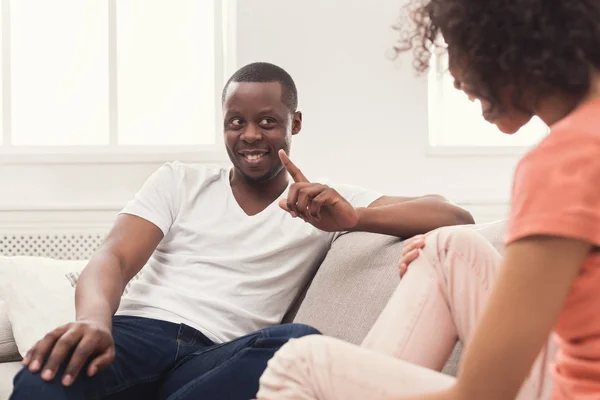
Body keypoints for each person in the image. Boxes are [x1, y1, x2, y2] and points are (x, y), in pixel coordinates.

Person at [10, 62, 473, 400]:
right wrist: (94, 321)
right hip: (138, 335)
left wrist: (354, 218)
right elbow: (113, 258)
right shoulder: (179, 180)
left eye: (268, 121)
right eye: (236, 122)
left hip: (217, 357)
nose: (250, 134)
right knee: (40, 379)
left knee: (299, 341)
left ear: (295, 123)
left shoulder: (321, 203)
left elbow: (453, 216)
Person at [256, 1, 600, 399]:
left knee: (297, 363)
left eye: (457, 44)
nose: (454, 77)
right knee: (450, 246)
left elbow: (481, 395)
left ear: (509, 39)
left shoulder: (566, 161)